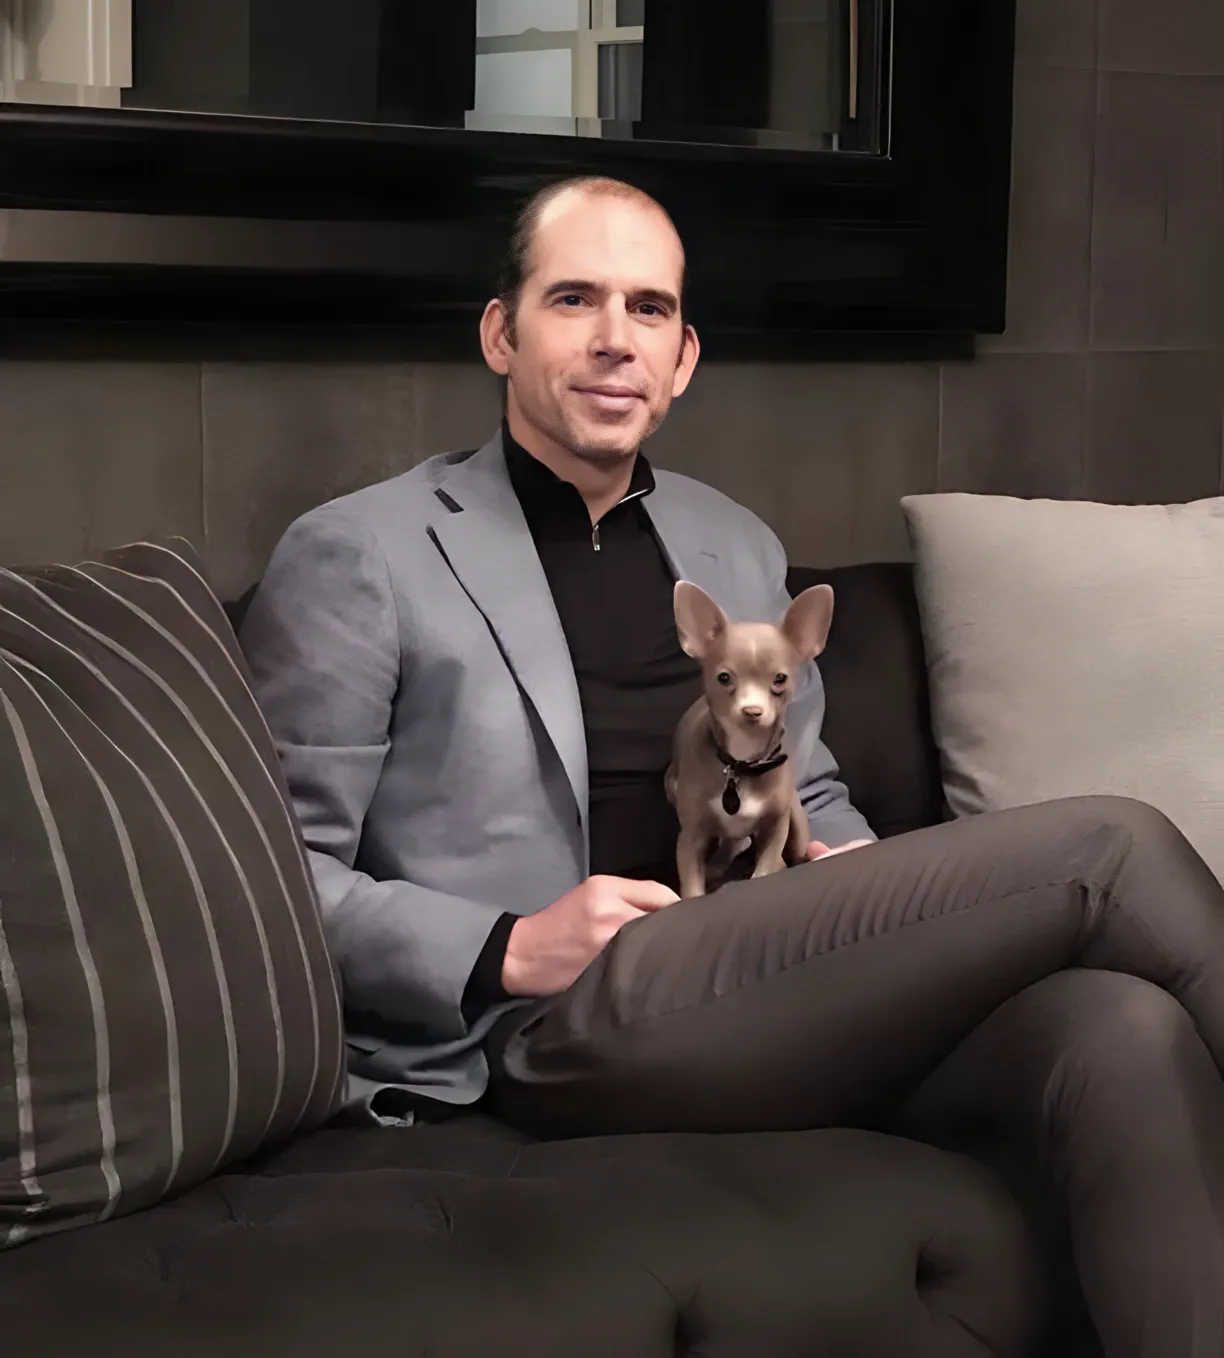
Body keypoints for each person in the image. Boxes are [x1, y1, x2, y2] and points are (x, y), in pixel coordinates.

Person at [238, 175, 1224, 1358]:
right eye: (575, 299)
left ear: (686, 355)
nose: (616, 339)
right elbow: (277, 877)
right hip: (568, 1019)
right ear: (503, 333)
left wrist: (851, 856)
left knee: (1117, 1025)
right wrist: (505, 942)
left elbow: (799, 788)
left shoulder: (732, 541)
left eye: (650, 309)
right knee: (1106, 847)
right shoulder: (363, 550)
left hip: (768, 981)